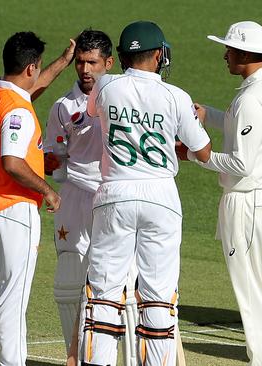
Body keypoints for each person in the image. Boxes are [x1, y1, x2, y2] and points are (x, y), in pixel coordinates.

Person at [79, 21, 211, 366]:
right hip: (161, 198)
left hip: (114, 196)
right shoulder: (176, 96)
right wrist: (192, 122)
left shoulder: (106, 86)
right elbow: (204, 151)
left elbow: (93, 111)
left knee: (105, 296)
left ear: (122, 56)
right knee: (158, 298)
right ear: (157, 55)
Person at [188, 20, 262, 366]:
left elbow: (240, 163)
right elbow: (248, 127)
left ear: (245, 53)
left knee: (250, 288)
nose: (225, 55)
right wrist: (208, 115)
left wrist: (195, 155)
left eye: (229, 49)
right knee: (255, 285)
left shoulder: (251, 96)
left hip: (249, 201)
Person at [0, 31, 74, 366]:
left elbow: (28, 93)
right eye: (39, 67)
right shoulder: (18, 111)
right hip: (15, 209)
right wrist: (48, 190)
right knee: (13, 298)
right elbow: (12, 163)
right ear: (30, 67)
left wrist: (60, 63)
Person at [43, 29, 139, 366]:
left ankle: (126, 359)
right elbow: (54, 156)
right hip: (74, 198)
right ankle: (81, 359)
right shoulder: (62, 107)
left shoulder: (128, 99)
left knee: (122, 283)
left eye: (93, 63)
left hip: (115, 197)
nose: (85, 70)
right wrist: (53, 186)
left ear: (109, 63)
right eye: (80, 63)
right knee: (70, 280)